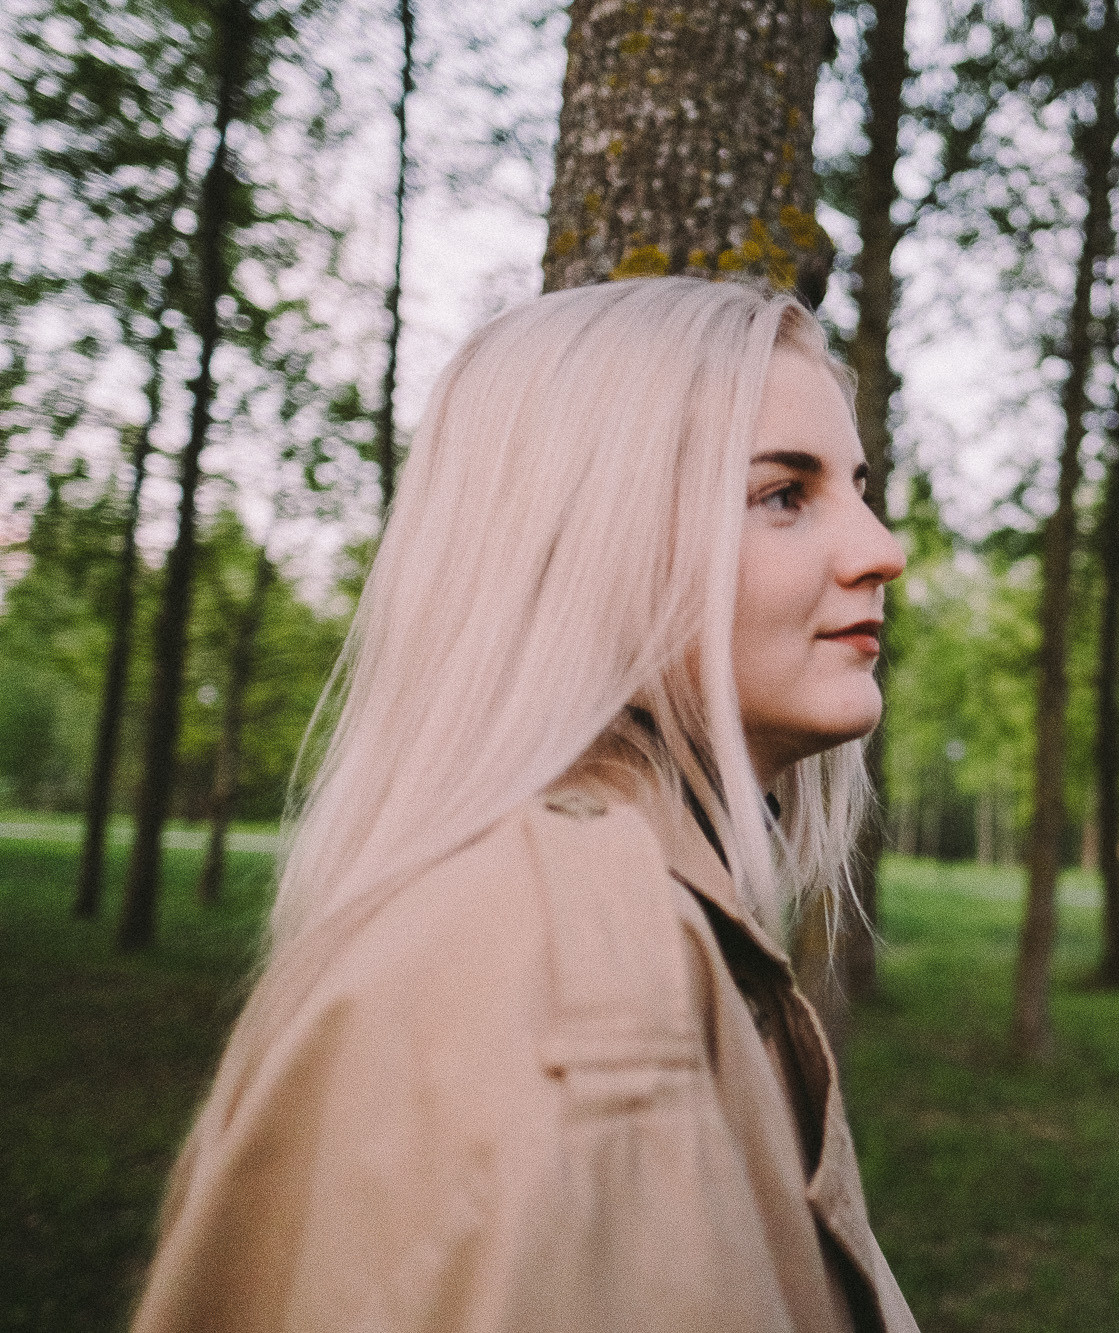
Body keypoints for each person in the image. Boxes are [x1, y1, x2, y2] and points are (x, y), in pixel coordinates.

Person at [130, 277, 918, 1333]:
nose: (881, 547)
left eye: (858, 486)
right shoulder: (570, 966)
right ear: (590, 538)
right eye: (785, 494)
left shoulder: (631, 915)